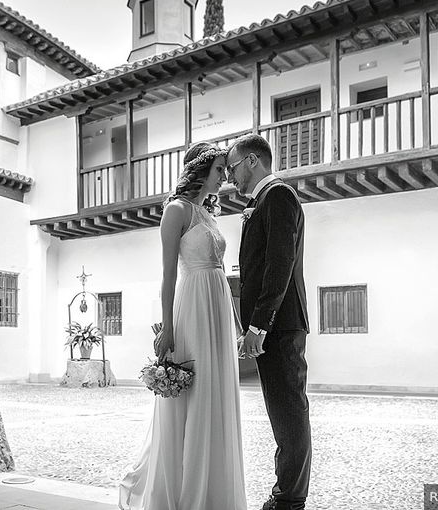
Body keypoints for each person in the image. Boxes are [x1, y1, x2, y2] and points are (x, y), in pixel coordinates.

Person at [119, 141, 247, 510]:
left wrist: (236, 324)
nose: (225, 177)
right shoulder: (176, 211)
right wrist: (170, 329)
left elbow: (222, 274)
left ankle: (214, 489)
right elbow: (167, 275)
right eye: (219, 170)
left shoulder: (208, 214)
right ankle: (185, 489)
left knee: (216, 391)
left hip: (217, 308)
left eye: (225, 170)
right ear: (200, 170)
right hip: (191, 306)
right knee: (194, 392)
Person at [227, 133, 311, 510]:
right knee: (282, 411)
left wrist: (259, 326)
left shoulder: (277, 195)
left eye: (232, 168)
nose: (230, 177)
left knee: (289, 411)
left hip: (279, 326)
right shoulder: (264, 200)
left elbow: (280, 263)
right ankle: (285, 493)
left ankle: (289, 500)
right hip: (274, 325)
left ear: (251, 162)